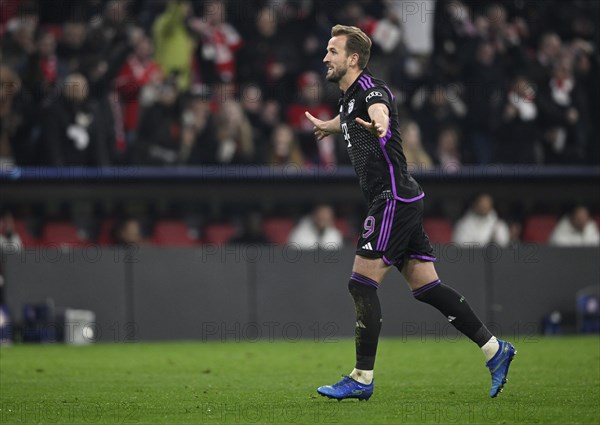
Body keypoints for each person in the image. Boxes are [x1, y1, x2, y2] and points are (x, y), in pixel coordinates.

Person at [304, 25, 515, 401]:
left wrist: (381, 124)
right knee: (427, 288)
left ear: (352, 59)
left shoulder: (371, 91)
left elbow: (379, 113)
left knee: (361, 283)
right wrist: (329, 127)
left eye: (332, 51)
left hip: (391, 198)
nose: (325, 57)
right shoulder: (349, 98)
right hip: (402, 197)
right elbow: (351, 118)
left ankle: (361, 378)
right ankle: (495, 350)